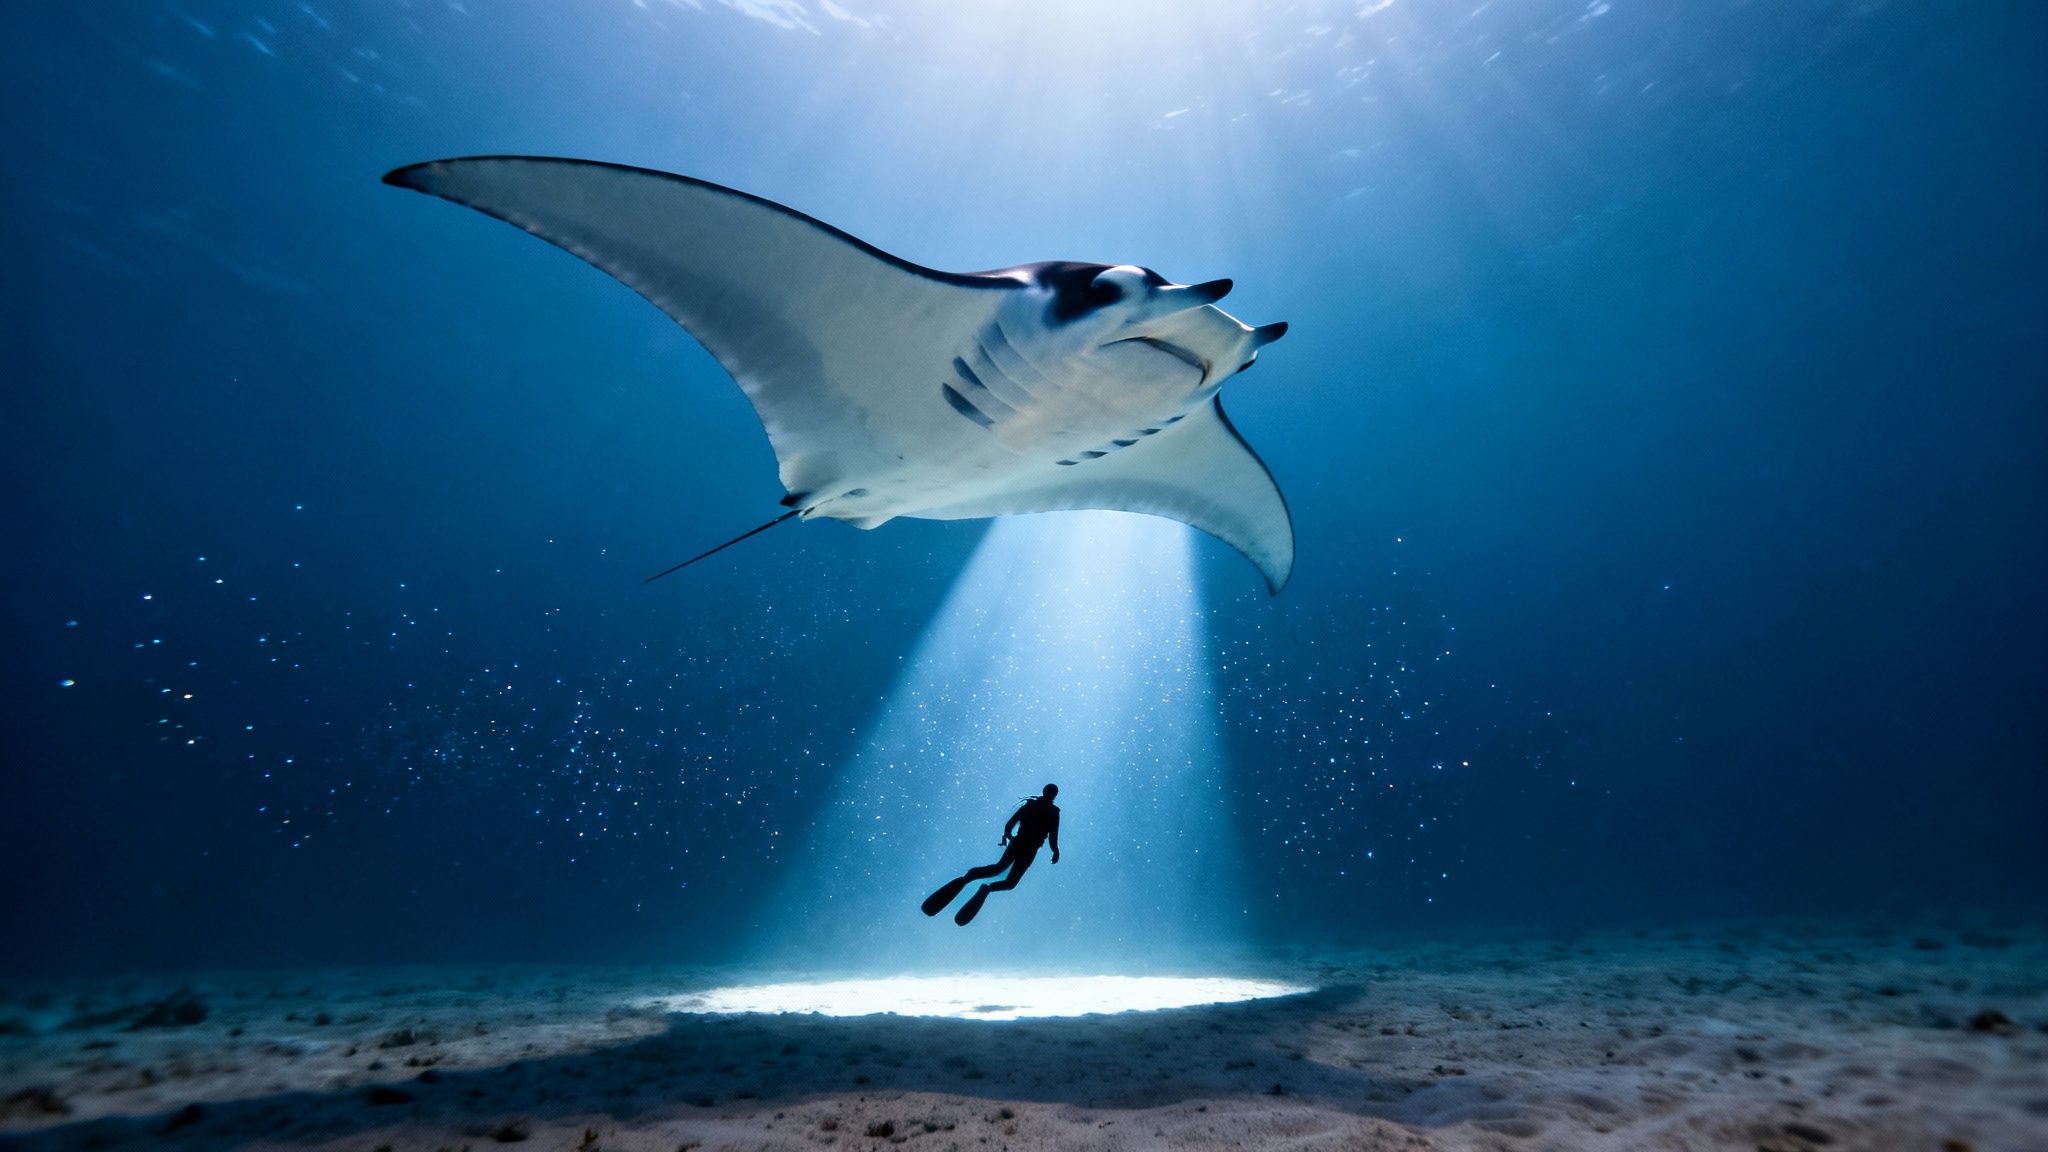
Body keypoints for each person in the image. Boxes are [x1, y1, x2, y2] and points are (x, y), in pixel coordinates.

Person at [922, 785, 1060, 926]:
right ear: (1053, 795)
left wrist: (1008, 835)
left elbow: (1011, 824)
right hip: (1028, 848)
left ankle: (973, 879)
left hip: (1020, 845)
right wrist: (1055, 851)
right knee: (1008, 880)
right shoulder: (1051, 811)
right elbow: (1052, 837)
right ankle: (983, 886)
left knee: (999, 871)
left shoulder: (1034, 806)